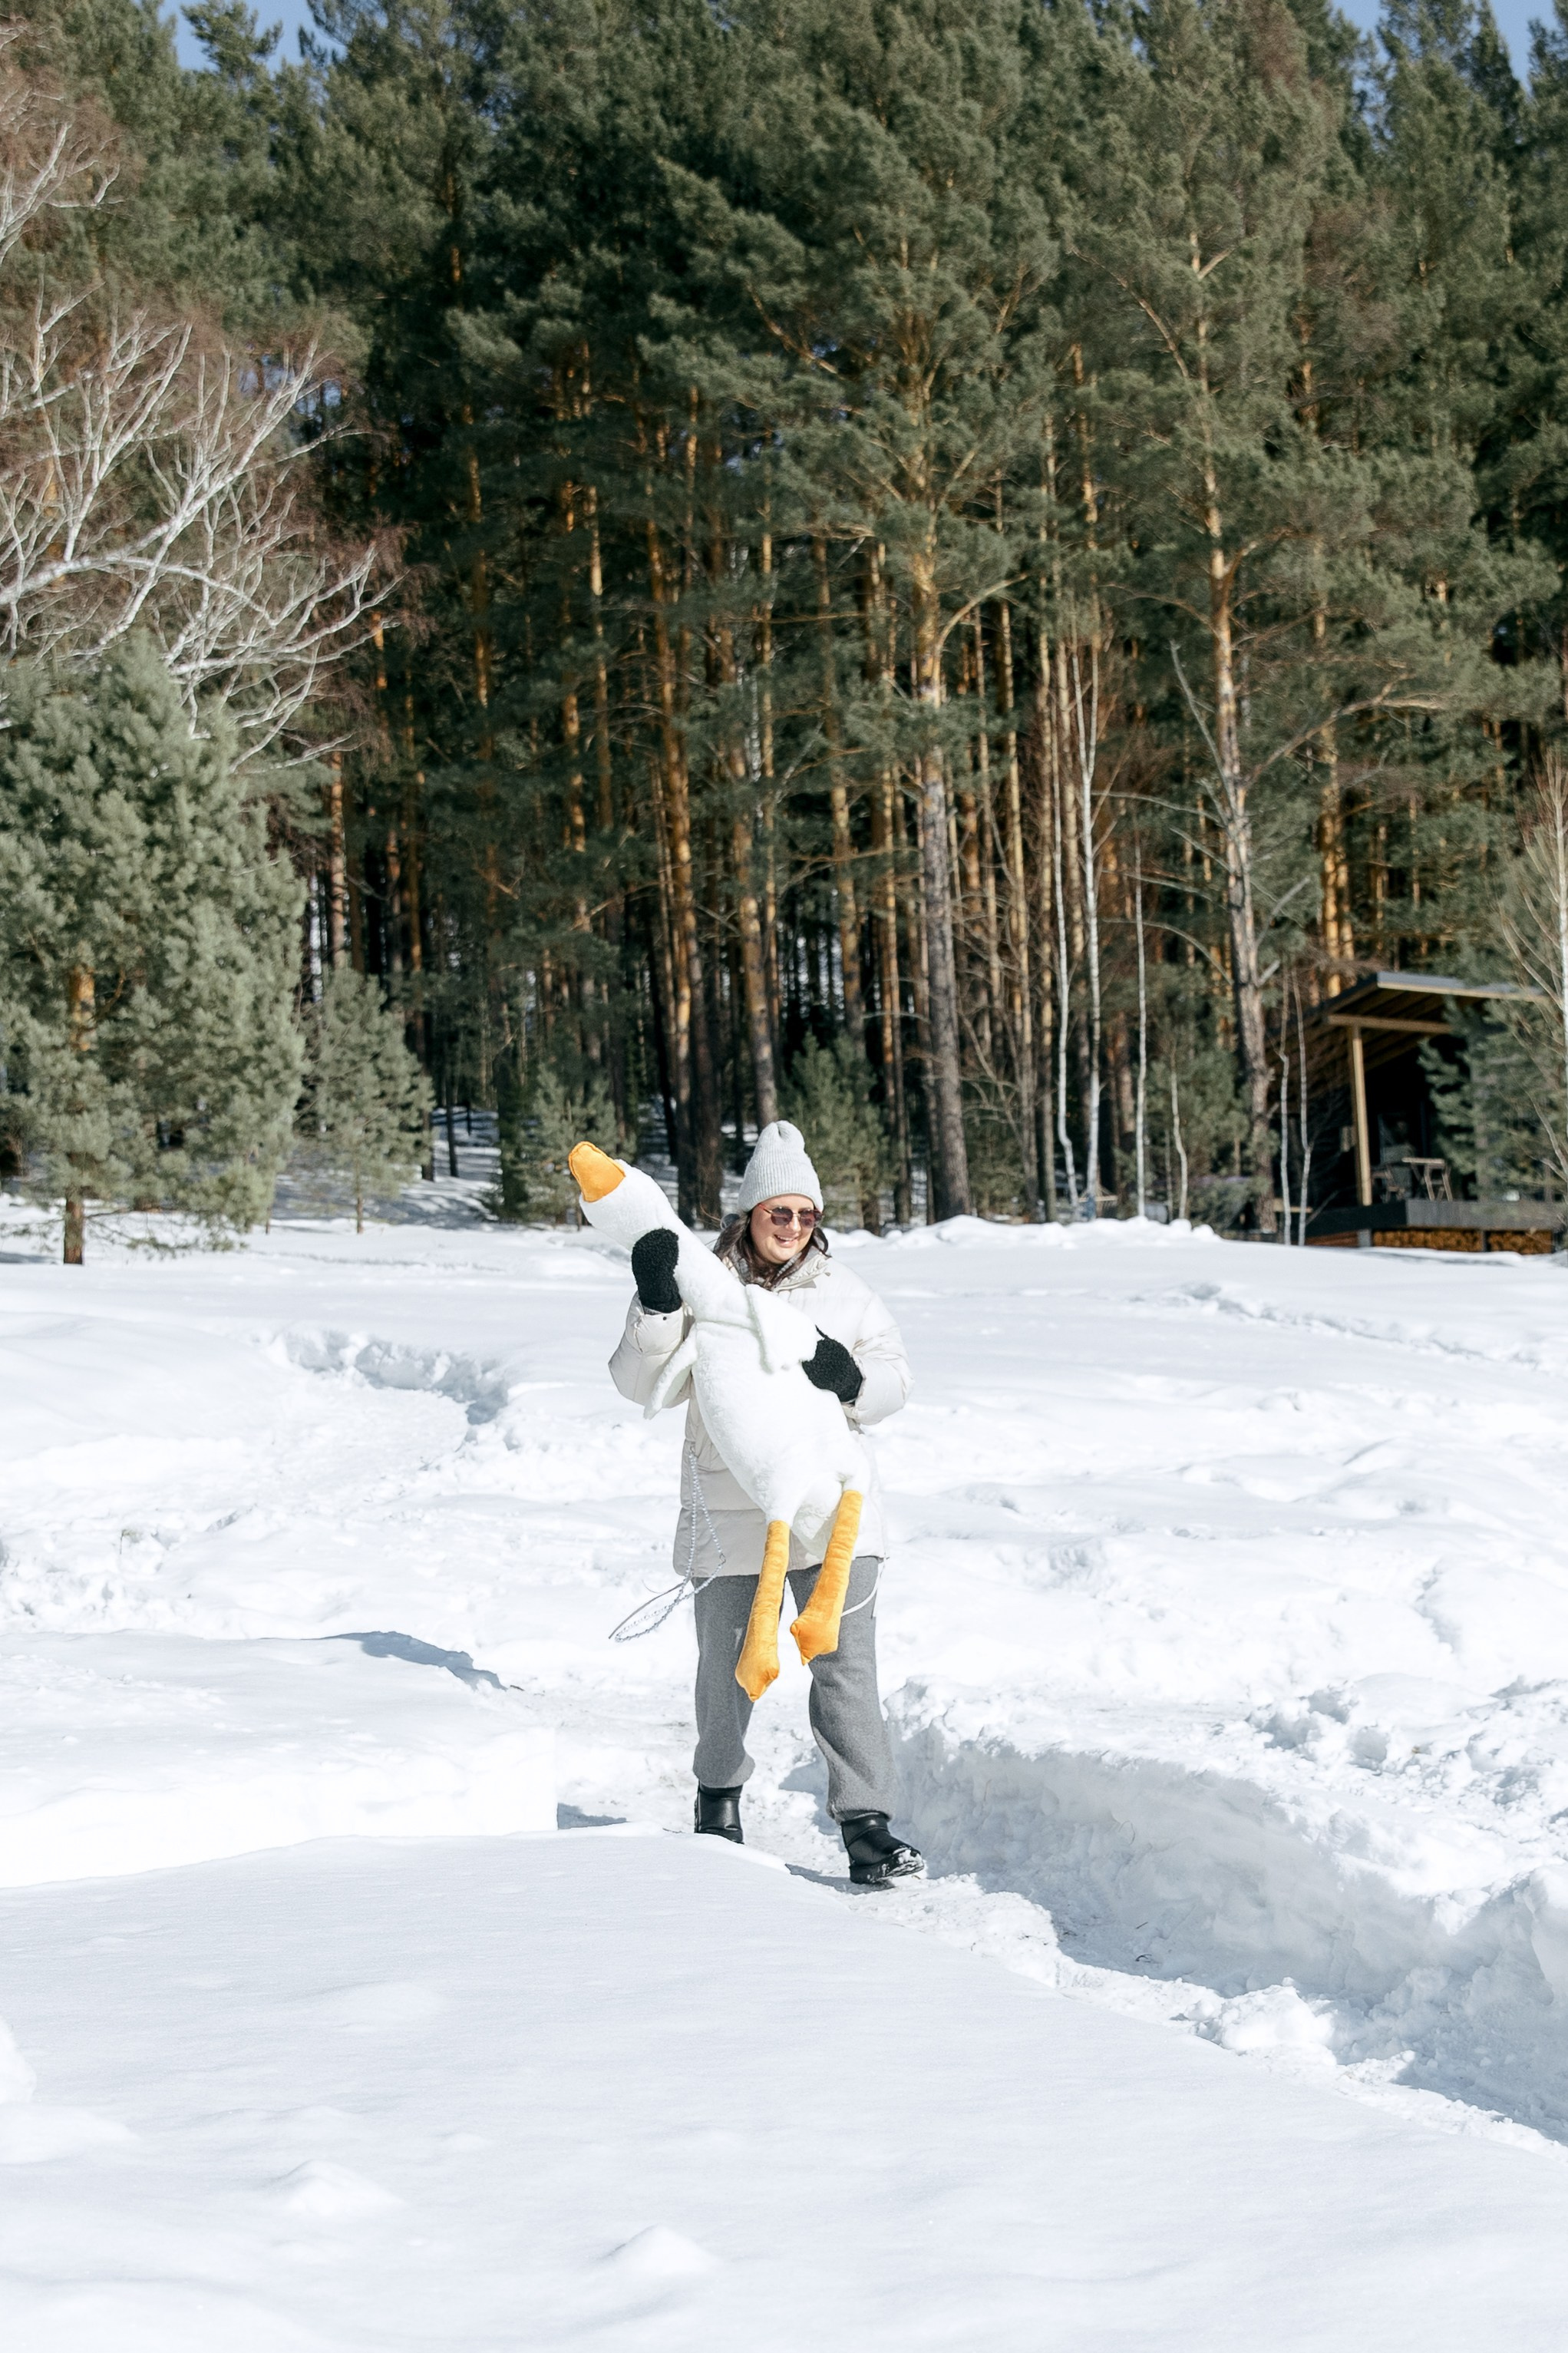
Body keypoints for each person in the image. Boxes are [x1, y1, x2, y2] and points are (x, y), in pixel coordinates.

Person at [609, 1119, 923, 1888]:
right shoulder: (703, 1284)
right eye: (779, 1212)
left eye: (807, 1215)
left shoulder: (847, 1294)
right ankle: (717, 1803)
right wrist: (655, 1304)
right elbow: (639, 1379)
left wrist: (850, 1378)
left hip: (830, 1504)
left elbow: (894, 1383)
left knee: (845, 1665)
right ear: (749, 1212)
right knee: (725, 1668)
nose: (792, 1227)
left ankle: (866, 1823)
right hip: (728, 1506)